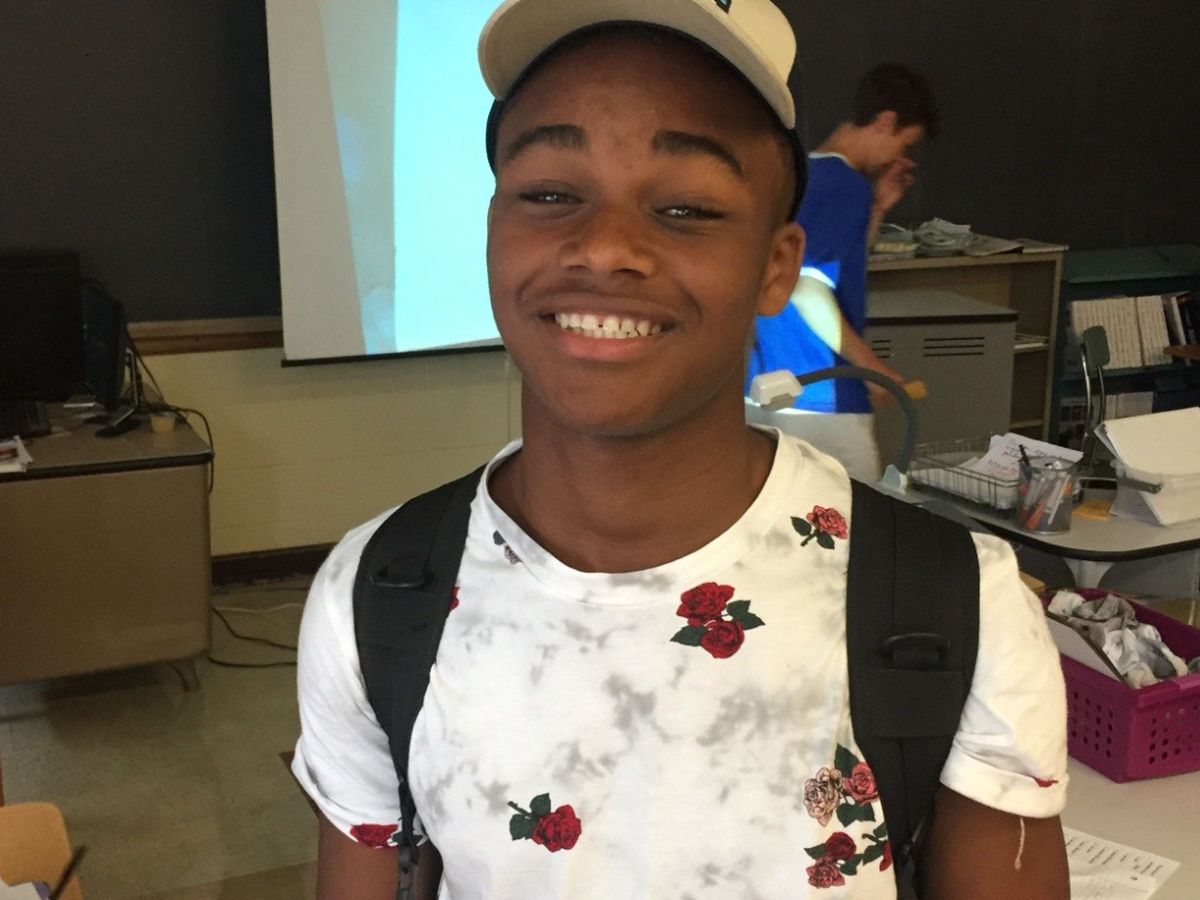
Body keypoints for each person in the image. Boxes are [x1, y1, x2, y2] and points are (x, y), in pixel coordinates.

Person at [291, 3, 1070, 898]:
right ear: (493, 226)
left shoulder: (956, 608)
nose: (604, 248)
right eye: (550, 193)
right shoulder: (377, 598)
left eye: (687, 208)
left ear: (776, 266)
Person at [746, 63, 941, 482]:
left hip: (764, 390)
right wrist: (873, 370)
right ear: (885, 121)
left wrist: (876, 209)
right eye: (903, 142)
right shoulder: (844, 186)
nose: (899, 158)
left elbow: (827, 266)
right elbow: (807, 289)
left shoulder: (798, 177)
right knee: (857, 515)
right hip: (822, 400)